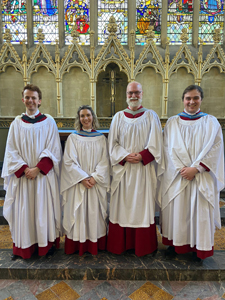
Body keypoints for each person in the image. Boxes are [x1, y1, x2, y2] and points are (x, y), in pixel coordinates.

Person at [161, 85, 224, 262]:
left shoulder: (211, 122)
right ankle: (175, 245)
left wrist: (196, 169)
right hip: (178, 176)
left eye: (195, 98)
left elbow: (216, 148)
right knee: (177, 211)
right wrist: (183, 169)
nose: (191, 101)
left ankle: (199, 249)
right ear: (183, 100)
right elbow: (167, 148)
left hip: (201, 176)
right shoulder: (173, 122)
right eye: (188, 98)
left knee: (199, 212)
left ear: (201, 100)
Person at [2, 84, 62, 260]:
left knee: (43, 210)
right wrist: (24, 169)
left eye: (34, 98)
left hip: (42, 177)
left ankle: (45, 246)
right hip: (23, 178)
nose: (30, 101)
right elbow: (11, 151)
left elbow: (54, 149)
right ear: (23, 100)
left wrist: (38, 169)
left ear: (39, 100)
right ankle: (24, 247)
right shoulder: (16, 123)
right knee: (24, 212)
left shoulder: (49, 121)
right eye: (27, 97)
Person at [107, 81, 164, 257]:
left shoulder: (150, 116)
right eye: (130, 93)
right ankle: (120, 245)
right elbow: (112, 144)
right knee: (121, 206)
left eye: (137, 93)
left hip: (143, 170)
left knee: (141, 205)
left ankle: (143, 246)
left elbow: (157, 142)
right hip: (123, 170)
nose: (133, 96)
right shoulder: (118, 117)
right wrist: (124, 155)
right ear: (126, 94)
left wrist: (143, 156)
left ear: (142, 93)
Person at [61, 105, 110, 256]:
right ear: (79, 119)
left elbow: (105, 162)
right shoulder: (73, 138)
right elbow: (69, 162)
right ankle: (78, 245)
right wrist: (82, 178)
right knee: (79, 211)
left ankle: (95, 243)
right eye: (82, 116)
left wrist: (94, 177)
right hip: (79, 184)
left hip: (95, 184)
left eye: (88, 115)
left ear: (93, 117)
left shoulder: (101, 138)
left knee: (95, 212)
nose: (85, 118)